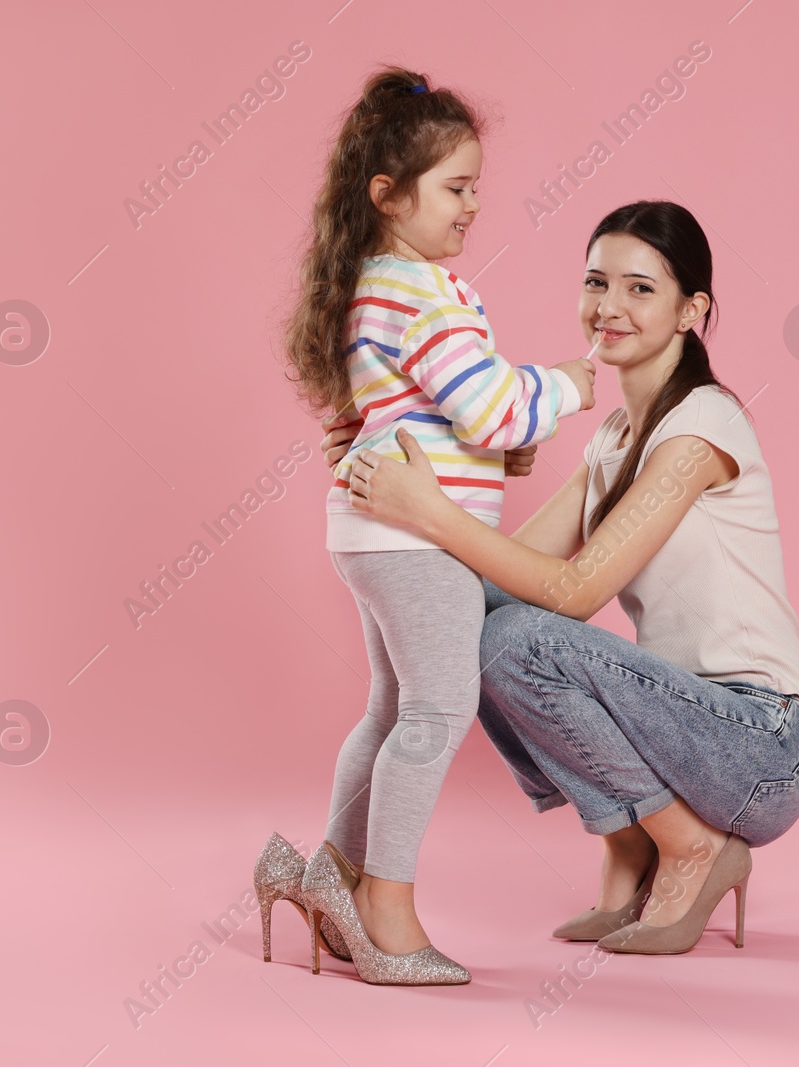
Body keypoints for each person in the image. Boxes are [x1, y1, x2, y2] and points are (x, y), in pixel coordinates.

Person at [331, 199, 799, 956]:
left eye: (640, 288)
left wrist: (429, 512)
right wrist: (384, 443)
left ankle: (686, 845)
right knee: (476, 614)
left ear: (694, 310)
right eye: (596, 282)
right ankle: (636, 837)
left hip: (762, 741)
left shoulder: (701, 428)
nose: (608, 306)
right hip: (684, 727)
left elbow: (576, 591)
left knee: (515, 639)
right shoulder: (615, 439)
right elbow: (498, 573)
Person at [256, 65, 596, 987]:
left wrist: (483, 453)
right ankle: (387, 909)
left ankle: (333, 870)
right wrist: (563, 386)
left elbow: (375, 420)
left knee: (389, 709)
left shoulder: (373, 288)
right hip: (418, 543)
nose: (473, 205)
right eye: (456, 187)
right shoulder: (422, 293)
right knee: (437, 711)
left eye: (476, 186)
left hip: (373, 536)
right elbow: (488, 406)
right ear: (389, 195)